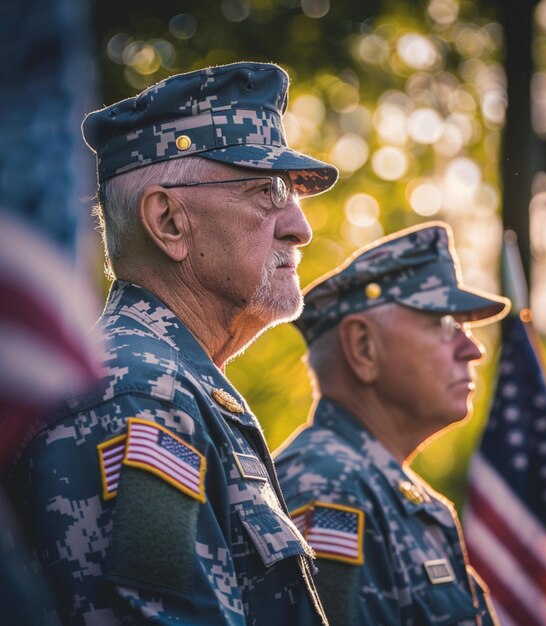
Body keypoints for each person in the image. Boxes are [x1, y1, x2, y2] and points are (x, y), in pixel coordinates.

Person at [4, 62, 337, 625]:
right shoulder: (141, 397)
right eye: (267, 190)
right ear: (169, 221)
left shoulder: (170, 385)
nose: (299, 227)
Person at [274, 222, 510, 626]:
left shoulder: (378, 489)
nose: (474, 349)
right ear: (364, 348)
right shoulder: (330, 489)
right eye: (446, 325)